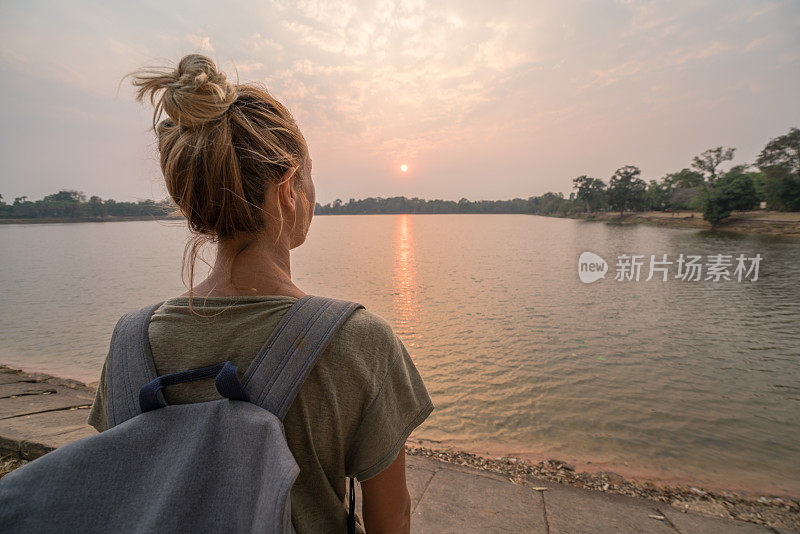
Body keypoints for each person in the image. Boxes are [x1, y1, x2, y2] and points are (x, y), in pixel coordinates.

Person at [87, 54, 433, 534]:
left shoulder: (129, 344)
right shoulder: (359, 341)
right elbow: (391, 517)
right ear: (288, 186)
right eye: (310, 177)